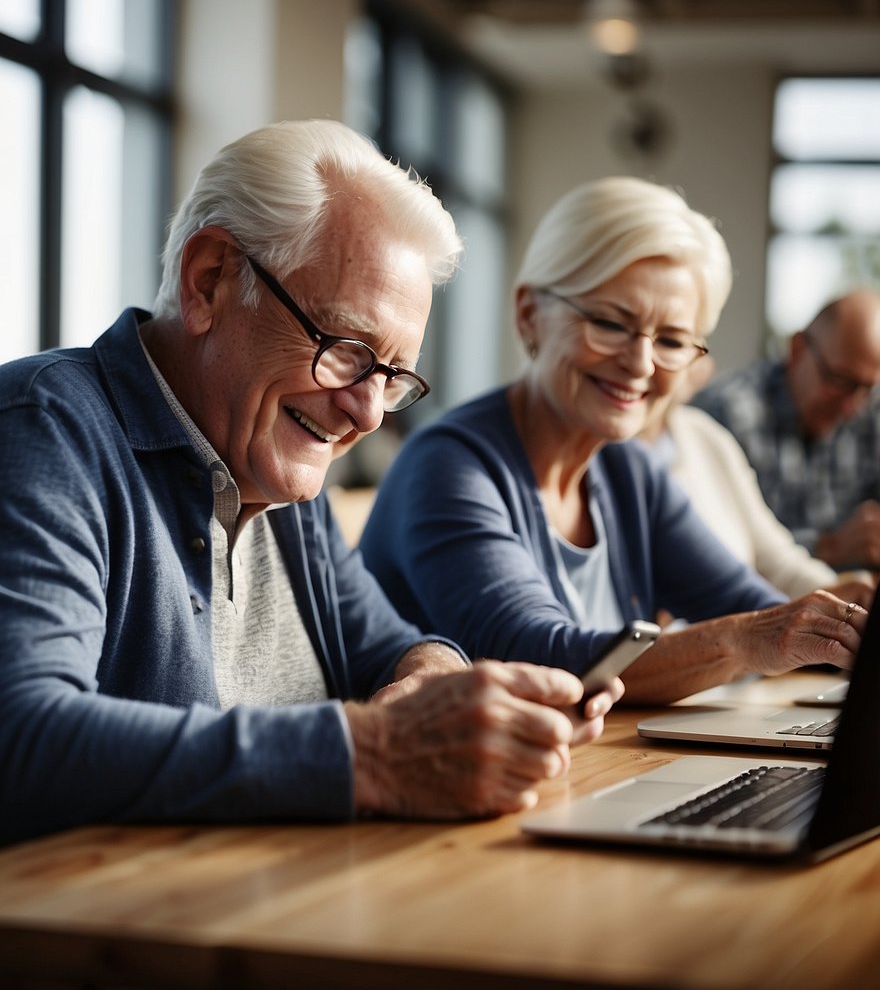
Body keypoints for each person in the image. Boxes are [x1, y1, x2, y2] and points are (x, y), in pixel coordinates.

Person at [0, 120, 620, 888]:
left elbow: (388, 644)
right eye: (348, 350)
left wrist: (434, 678)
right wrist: (379, 753)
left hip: (217, 914)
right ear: (210, 279)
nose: (365, 412)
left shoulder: (277, 472)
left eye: (392, 375)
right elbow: (12, 762)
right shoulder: (34, 434)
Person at [360, 176, 867, 705]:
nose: (641, 363)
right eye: (609, 323)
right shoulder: (446, 466)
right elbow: (537, 653)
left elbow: (755, 608)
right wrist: (747, 641)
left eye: (671, 340)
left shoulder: (629, 469)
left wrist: (824, 628)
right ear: (530, 313)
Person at [641, 353, 876, 606]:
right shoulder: (731, 408)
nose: (642, 362)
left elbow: (776, 564)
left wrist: (849, 601)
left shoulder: (706, 437)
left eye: (674, 342)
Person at [693, 289, 880, 571]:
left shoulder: (869, 416)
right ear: (798, 350)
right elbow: (709, 550)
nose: (851, 406)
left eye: (866, 389)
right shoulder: (727, 414)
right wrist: (828, 547)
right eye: (840, 380)